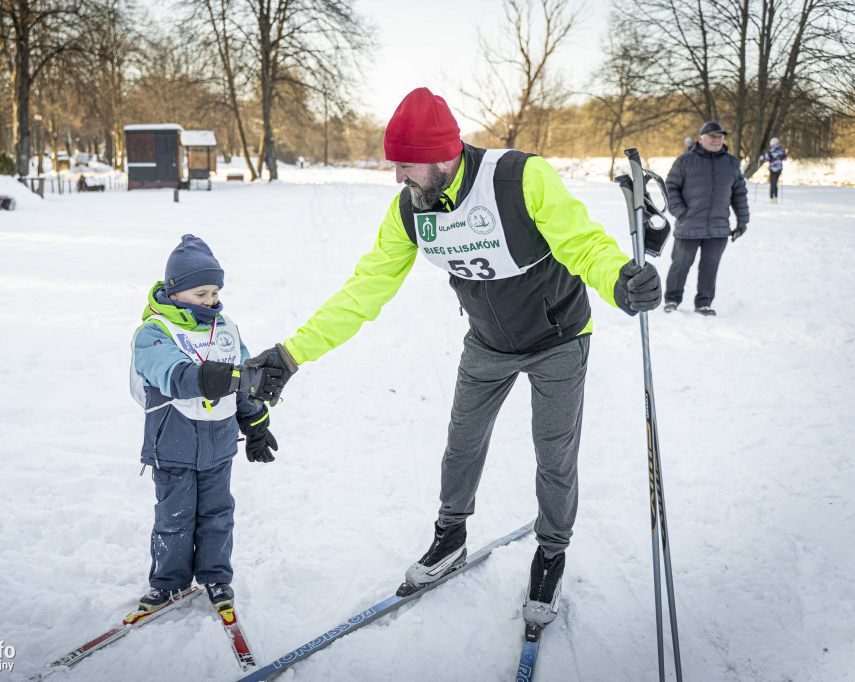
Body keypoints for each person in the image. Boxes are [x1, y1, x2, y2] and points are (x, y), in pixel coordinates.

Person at [244, 87, 661, 631]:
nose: (398, 178)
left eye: (406, 166)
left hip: (559, 337)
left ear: (444, 156)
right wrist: (290, 355)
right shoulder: (410, 213)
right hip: (488, 342)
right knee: (462, 443)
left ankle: (551, 554)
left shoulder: (520, 179)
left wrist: (618, 281)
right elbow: (364, 290)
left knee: (553, 454)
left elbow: (583, 244)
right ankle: (450, 537)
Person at [130, 234, 283, 613]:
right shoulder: (154, 332)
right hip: (173, 445)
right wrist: (228, 378)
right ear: (176, 291)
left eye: (215, 291)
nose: (211, 300)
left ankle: (216, 577)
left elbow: (245, 382)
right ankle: (167, 583)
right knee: (175, 517)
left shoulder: (226, 328)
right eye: (202, 293)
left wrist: (256, 424)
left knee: (217, 515)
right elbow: (177, 376)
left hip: (218, 445)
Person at [663, 120, 750, 317]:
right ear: (701, 138)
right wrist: (680, 212)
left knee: (710, 268)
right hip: (689, 225)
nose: (717, 140)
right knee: (680, 265)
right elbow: (671, 187)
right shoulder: (685, 161)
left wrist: (742, 221)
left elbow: (739, 194)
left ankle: (704, 303)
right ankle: (671, 300)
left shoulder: (731, 163)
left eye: (720, 137)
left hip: (718, 227)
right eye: (712, 136)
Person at [758, 137, 787, 203]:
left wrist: (760, 156)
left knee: (772, 183)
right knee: (775, 183)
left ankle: (771, 198)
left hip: (772, 168)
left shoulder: (770, 150)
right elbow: (785, 158)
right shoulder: (781, 149)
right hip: (779, 168)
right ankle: (775, 198)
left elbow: (766, 158)